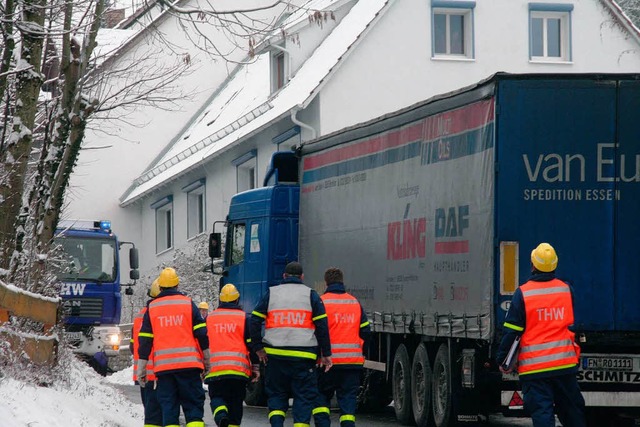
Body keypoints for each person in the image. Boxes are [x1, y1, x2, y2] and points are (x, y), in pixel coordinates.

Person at [496, 243, 585, 427]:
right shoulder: (566, 290)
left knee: (542, 415)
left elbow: (512, 332)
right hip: (564, 366)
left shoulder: (523, 294)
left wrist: (501, 358)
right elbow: (573, 324)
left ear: (532, 264)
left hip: (535, 369)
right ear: (555, 265)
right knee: (572, 413)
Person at [250, 261, 333, 427]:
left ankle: (276, 424)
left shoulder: (272, 293)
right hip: (303, 357)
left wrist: (258, 348)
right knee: (303, 396)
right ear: (302, 277)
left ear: (284, 276)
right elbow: (322, 327)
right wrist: (326, 354)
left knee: (276, 395)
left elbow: (254, 321)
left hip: (275, 356)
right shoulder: (311, 295)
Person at [137, 267, 211, 427]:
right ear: (177, 285)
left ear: (160, 287)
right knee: (193, 410)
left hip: (164, 370)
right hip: (190, 367)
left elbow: (145, 341)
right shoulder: (188, 303)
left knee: (169, 410)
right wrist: (207, 360)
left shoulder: (152, 308)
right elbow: (202, 334)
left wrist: (141, 368)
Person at [313, 267, 371, 427]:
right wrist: (361, 351)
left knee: (321, 398)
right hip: (351, 363)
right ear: (342, 281)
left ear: (326, 282)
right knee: (348, 401)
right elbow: (366, 331)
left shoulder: (321, 302)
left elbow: (315, 332)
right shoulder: (354, 302)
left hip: (326, 362)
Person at [203, 284, 260, 427]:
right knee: (236, 403)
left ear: (220, 300)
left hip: (215, 370)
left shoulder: (209, 319)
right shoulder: (244, 318)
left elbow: (202, 344)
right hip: (238, 371)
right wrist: (256, 367)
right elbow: (251, 345)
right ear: (237, 300)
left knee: (216, 398)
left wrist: (202, 366)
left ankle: (221, 415)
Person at [131, 278, 162, 427]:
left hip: (143, 373)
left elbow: (133, 345)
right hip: (159, 373)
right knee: (161, 413)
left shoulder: (138, 317)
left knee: (149, 413)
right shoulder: (159, 314)